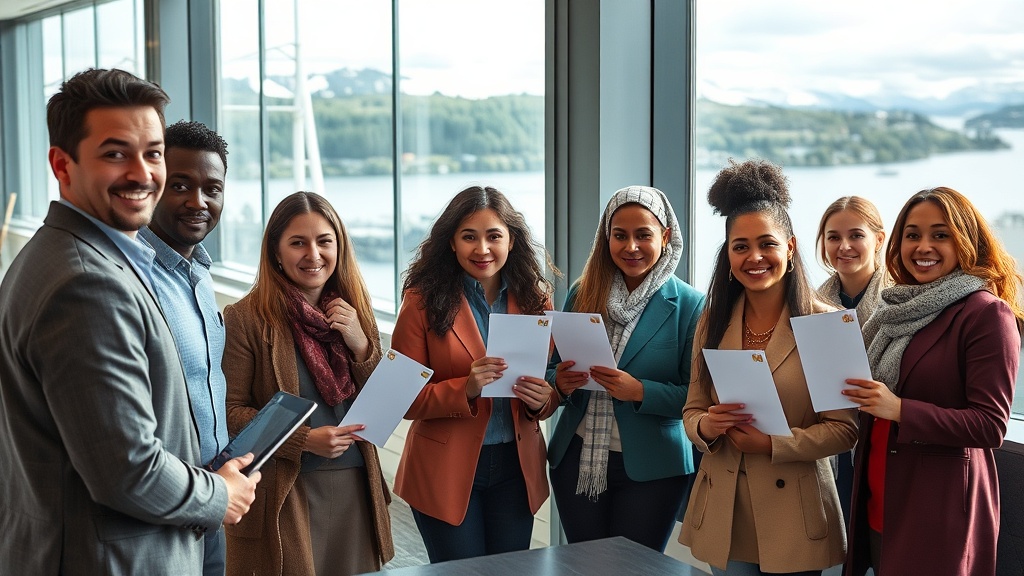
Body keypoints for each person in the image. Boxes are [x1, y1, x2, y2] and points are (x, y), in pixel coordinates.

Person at [0, 68, 259, 575]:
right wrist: (219, 495)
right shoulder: (86, 283)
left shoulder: (75, 255)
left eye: (153, 152)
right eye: (115, 153)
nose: (143, 174)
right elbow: (127, 470)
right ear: (63, 164)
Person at [679, 159, 857, 575]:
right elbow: (691, 410)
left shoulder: (827, 325)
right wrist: (708, 426)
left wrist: (772, 444)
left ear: (790, 247)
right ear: (728, 254)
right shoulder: (713, 319)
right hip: (725, 507)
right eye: (740, 246)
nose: (754, 257)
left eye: (767, 244)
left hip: (793, 512)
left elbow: (845, 430)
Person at [842, 187, 1023, 576]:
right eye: (913, 234)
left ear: (965, 239)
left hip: (936, 511)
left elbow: (990, 425)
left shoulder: (987, 314)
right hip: (878, 499)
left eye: (940, 234)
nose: (924, 246)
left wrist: (899, 409)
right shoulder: (895, 308)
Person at [222, 191, 394, 576]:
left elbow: (382, 403)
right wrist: (303, 439)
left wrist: (361, 344)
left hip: (355, 485)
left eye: (324, 241)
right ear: (276, 253)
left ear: (339, 247)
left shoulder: (357, 313)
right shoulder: (245, 318)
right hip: (286, 491)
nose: (313, 255)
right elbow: (230, 414)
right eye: (298, 242)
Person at [391, 185, 558, 562]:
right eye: (469, 236)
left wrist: (542, 400)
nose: (482, 249)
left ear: (512, 241)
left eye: (494, 236)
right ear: (451, 242)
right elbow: (403, 399)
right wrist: (464, 388)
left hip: (516, 470)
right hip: (444, 469)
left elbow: (548, 386)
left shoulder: (537, 299)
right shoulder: (421, 300)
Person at [546, 185, 704, 552]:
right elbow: (553, 370)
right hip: (577, 460)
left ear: (665, 237)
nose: (631, 246)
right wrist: (563, 383)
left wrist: (640, 391)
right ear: (607, 238)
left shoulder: (692, 304)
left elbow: (697, 395)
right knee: (585, 567)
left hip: (654, 469)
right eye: (620, 235)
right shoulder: (583, 292)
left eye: (643, 235)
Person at [138, 119, 231, 576]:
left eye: (212, 188)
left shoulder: (200, 275)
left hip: (216, 490)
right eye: (181, 185)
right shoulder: (135, 279)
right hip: (164, 501)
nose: (199, 202)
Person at [813, 195, 890, 524]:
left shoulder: (900, 300)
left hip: (884, 443)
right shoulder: (811, 303)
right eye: (833, 237)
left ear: (879, 239)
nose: (844, 246)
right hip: (830, 442)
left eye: (856, 235)